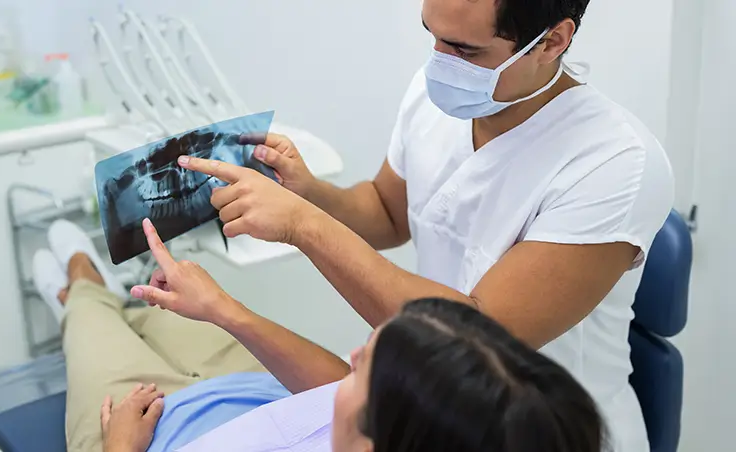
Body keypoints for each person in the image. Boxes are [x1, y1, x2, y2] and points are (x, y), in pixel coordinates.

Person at [153, 1, 675, 451]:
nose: (442, 65)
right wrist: (309, 192)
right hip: (419, 405)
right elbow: (384, 210)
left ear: (553, 40)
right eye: (433, 36)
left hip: (529, 432)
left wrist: (304, 225)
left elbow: (474, 337)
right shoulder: (437, 95)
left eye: (467, 52)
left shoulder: (616, 162)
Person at [34, 219, 605, 452]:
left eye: (364, 366)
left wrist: (118, 449)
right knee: (158, 309)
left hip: (140, 426)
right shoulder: (436, 424)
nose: (350, 356)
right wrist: (226, 311)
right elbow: (335, 384)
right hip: (248, 387)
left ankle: (80, 283)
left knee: (89, 320)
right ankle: (110, 294)